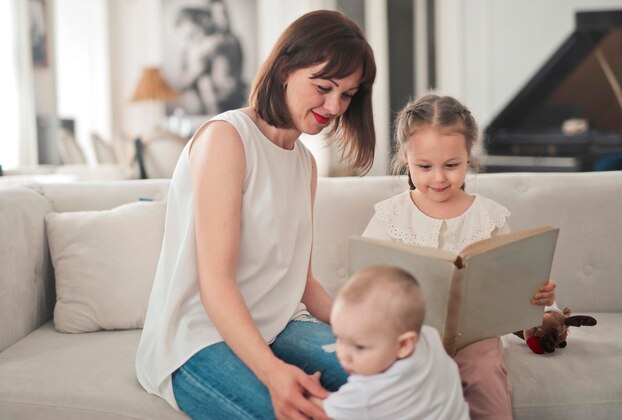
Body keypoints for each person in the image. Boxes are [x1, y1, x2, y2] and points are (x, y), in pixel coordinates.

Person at [136, 9, 376, 420]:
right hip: (198, 336)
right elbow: (216, 286)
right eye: (323, 87)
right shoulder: (227, 139)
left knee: (386, 385)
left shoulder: (305, 164)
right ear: (285, 70)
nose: (335, 105)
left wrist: (363, 330)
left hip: (280, 324)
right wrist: (273, 372)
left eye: (348, 94)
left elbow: (302, 280)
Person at [362, 94, 557, 420]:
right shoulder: (390, 215)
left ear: (469, 158)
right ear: (405, 159)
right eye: (424, 166)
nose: (439, 178)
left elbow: (515, 279)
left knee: (483, 375)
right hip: (412, 334)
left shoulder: (489, 215)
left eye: (451, 165)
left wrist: (539, 296)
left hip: (475, 337)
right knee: (407, 382)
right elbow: (366, 279)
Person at [309, 265, 470, 419]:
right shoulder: (430, 337)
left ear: (403, 345)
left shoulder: (366, 395)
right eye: (338, 338)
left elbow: (313, 409)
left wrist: (310, 391)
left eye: (359, 347)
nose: (343, 354)